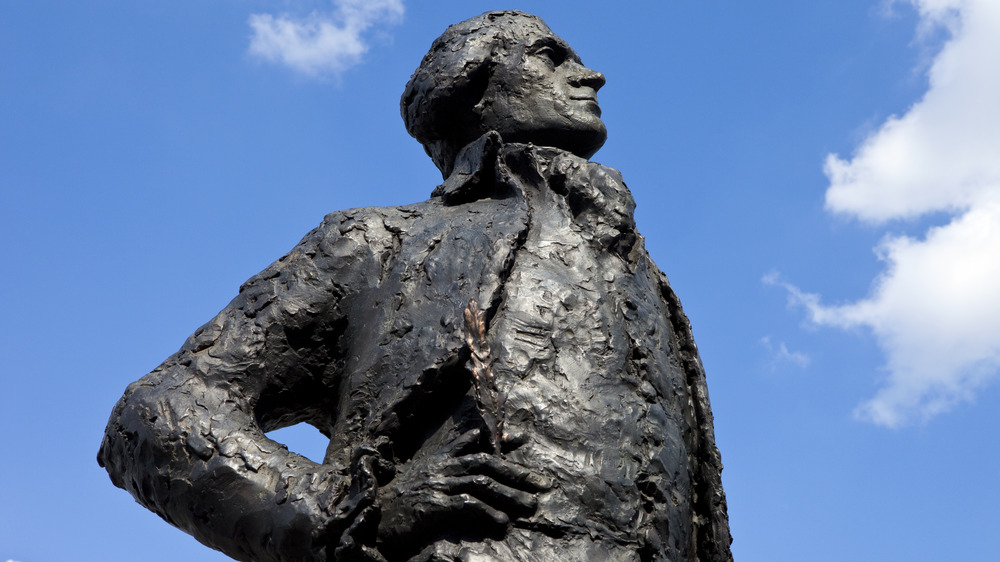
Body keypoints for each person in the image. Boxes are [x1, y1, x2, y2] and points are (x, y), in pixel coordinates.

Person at [99, 10, 732, 562]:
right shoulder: (378, 243)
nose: (591, 75)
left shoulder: (637, 270)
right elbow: (154, 414)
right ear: (472, 90)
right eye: (550, 56)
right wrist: (346, 514)